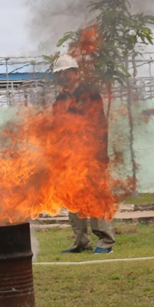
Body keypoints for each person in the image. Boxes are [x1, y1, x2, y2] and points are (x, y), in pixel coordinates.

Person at [52, 54, 115, 254]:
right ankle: (80, 242)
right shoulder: (59, 100)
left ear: (75, 72)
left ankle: (105, 242)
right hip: (69, 158)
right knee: (73, 201)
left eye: (66, 71)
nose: (62, 76)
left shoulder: (89, 94)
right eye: (59, 73)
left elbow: (99, 126)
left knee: (95, 198)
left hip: (91, 155)